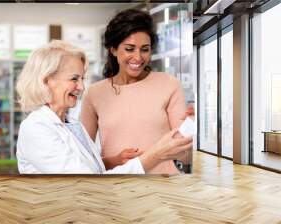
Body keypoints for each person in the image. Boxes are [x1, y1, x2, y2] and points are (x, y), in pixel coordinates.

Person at [15, 40, 192, 174]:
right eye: (74, 79)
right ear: (47, 81)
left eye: (82, 79)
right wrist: (155, 156)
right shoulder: (36, 129)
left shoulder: (71, 124)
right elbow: (87, 184)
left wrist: (113, 161)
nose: (81, 87)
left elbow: (87, 168)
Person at [80, 9, 192, 174]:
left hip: (164, 189)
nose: (138, 57)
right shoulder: (94, 93)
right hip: (117, 189)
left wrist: (191, 134)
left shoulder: (169, 85)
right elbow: (83, 160)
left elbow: (186, 157)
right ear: (113, 49)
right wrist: (114, 161)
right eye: (130, 49)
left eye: (145, 49)